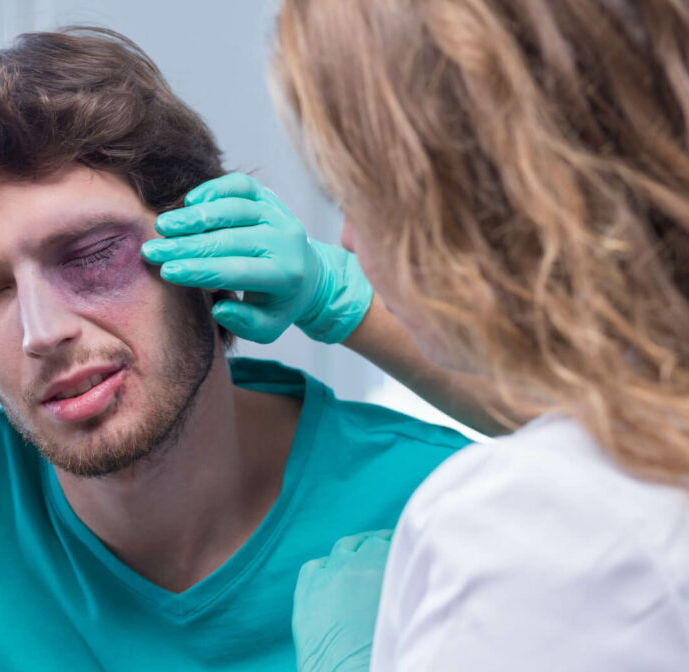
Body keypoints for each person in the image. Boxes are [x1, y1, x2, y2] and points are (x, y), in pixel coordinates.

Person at [0, 27, 490, 671]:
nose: (41, 331)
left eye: (89, 254)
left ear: (210, 249)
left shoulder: (431, 505)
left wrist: (353, 307)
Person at [147, 1, 689, 669]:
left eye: (357, 190)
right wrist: (331, 300)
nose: (344, 241)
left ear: (467, 189)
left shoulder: (528, 527)